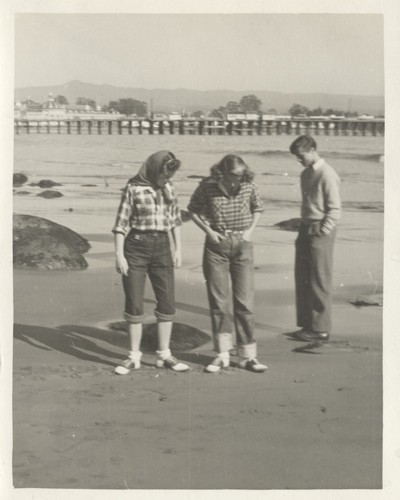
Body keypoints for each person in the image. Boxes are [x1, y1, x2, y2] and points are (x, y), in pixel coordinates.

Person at [188, 154, 267, 373]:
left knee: (245, 303)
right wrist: (209, 232)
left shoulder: (249, 185)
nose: (237, 181)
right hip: (216, 247)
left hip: (243, 245)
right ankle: (222, 354)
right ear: (222, 173)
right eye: (234, 176)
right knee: (219, 302)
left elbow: (258, 208)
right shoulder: (207, 186)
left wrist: (250, 232)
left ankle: (248, 356)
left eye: (241, 176)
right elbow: (192, 210)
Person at [112, 150, 189, 374]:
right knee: (135, 302)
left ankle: (164, 355)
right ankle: (133, 357)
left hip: (163, 247)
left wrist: (178, 249)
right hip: (136, 247)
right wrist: (119, 255)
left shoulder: (170, 188)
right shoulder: (133, 188)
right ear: (154, 170)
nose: (167, 180)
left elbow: (175, 220)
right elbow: (120, 224)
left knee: (166, 302)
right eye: (164, 175)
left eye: (170, 176)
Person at [289, 135, 341, 342]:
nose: (298, 160)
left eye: (301, 156)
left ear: (312, 151)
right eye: (296, 157)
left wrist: (323, 231)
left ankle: (320, 329)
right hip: (306, 227)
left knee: (319, 280)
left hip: (320, 229)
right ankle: (307, 324)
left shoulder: (328, 174)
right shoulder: (305, 174)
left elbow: (335, 209)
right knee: (302, 278)